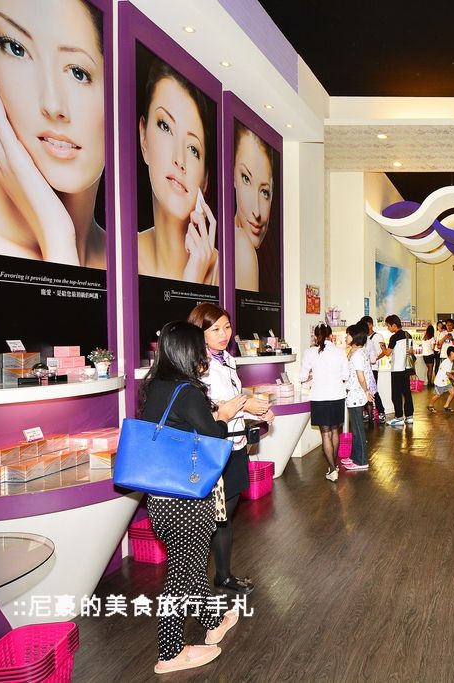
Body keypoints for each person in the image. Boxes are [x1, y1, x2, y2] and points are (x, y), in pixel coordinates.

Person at [139, 321, 241, 674]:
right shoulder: (188, 392)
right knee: (181, 576)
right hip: (188, 499)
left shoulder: (155, 386)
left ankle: (212, 621)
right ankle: (169, 653)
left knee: (192, 566)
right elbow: (213, 435)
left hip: (161, 498)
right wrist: (223, 416)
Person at [0, 0, 107, 266]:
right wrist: (56, 233)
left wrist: (57, 239)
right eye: (16, 49)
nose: (52, 105)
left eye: (78, 73)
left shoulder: (131, 259)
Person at [188, 303, 273, 596]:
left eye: (226, 327)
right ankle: (200, 580)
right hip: (213, 448)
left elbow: (233, 400)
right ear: (200, 332)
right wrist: (246, 404)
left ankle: (223, 575)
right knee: (213, 518)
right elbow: (209, 408)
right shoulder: (198, 366)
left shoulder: (227, 360)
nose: (223, 334)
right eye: (215, 329)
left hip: (235, 445)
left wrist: (255, 410)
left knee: (226, 514)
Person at [137, 58, 217, 284]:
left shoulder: (224, 271)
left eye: (193, 149)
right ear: (143, 137)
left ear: (205, 180)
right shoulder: (114, 256)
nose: (180, 160)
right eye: (166, 127)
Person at [300, 323, 349, 482]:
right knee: (335, 431)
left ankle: (332, 469)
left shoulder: (309, 352)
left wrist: (312, 376)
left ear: (316, 336)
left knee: (325, 433)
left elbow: (302, 377)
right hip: (337, 395)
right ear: (330, 335)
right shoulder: (340, 352)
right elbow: (345, 376)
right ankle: (333, 467)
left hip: (319, 397)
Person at [232, 122, 274, 292]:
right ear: (232, 176)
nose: (256, 211)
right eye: (246, 179)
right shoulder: (241, 245)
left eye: (264, 192)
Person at [342, 324, 372, 471]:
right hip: (355, 395)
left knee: (358, 429)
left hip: (356, 395)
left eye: (348, 334)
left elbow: (361, 377)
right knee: (356, 429)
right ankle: (355, 457)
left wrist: (366, 391)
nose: (346, 337)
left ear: (355, 337)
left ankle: (361, 461)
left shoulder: (358, 355)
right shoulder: (358, 352)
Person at [384, 314, 414, 428]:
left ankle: (399, 417)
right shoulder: (408, 335)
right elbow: (411, 351)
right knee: (407, 393)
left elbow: (387, 353)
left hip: (397, 369)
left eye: (388, 326)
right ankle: (409, 416)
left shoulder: (394, 337)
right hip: (406, 368)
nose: (388, 328)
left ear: (394, 325)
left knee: (396, 394)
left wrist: (383, 347)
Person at [360, 316, 389, 423]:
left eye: (367, 325)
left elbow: (384, 352)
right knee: (364, 391)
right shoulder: (362, 337)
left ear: (371, 324)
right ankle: (368, 413)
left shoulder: (378, 336)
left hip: (373, 368)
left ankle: (381, 412)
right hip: (364, 368)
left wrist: (375, 358)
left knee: (373, 391)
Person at [429, 346, 454, 413]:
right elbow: (447, 373)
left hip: (445, 381)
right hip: (440, 381)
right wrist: (453, 377)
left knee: (452, 392)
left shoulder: (449, 361)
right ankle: (430, 405)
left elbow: (447, 370)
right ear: (452, 353)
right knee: (438, 395)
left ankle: (446, 406)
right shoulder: (447, 362)